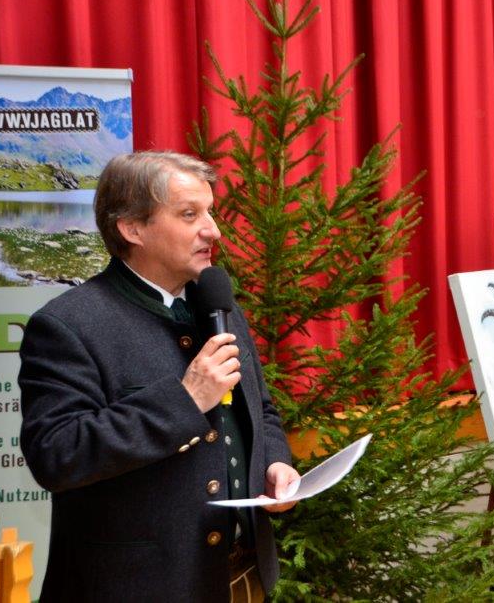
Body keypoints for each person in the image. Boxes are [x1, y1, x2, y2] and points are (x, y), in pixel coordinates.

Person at [19, 151, 300, 602]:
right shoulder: (69, 324)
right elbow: (57, 455)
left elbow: (260, 410)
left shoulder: (220, 306)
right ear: (132, 228)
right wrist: (186, 400)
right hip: (136, 588)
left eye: (210, 212)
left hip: (241, 577)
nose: (213, 230)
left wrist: (274, 464)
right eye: (190, 214)